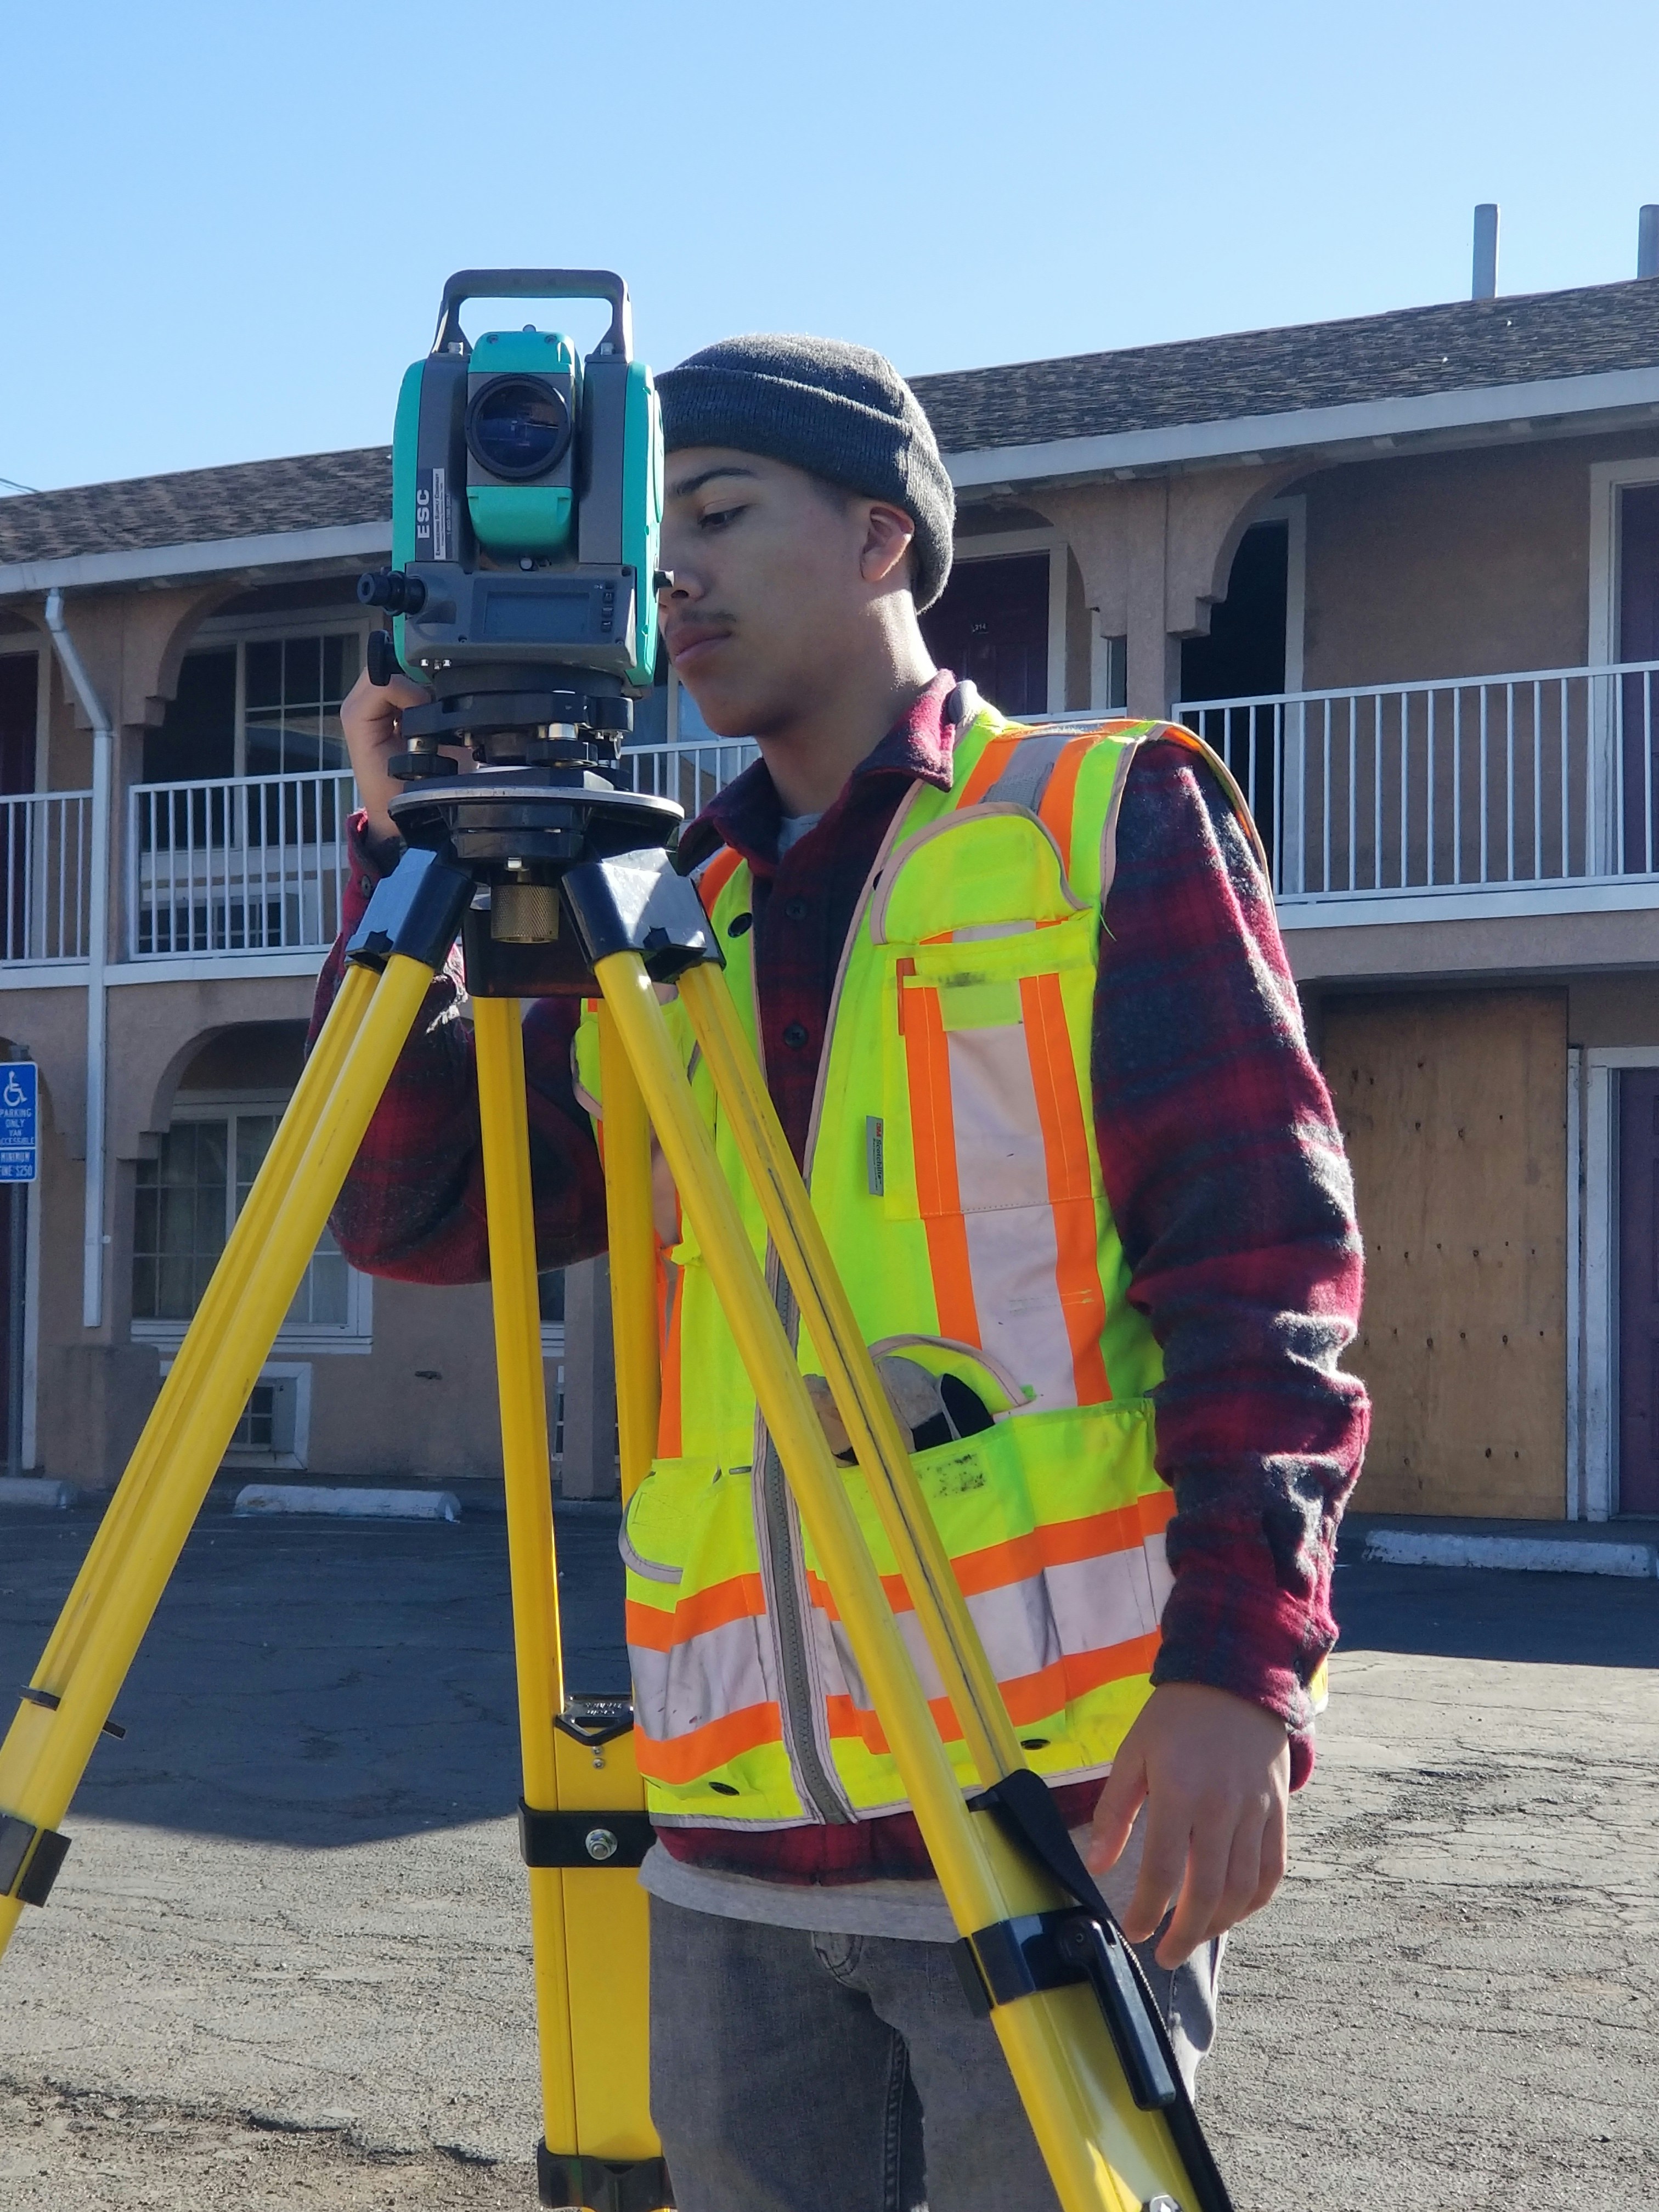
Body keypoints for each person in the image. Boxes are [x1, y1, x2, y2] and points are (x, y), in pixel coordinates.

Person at [315, 335, 1368, 2212]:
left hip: (1041, 1810)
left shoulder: (1089, 818)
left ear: (886, 537)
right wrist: (407, 862)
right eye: (654, 540)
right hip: (724, 1841)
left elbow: (1264, 1267)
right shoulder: (660, 919)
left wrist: (1242, 1677)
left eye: (719, 515)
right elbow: (416, 1212)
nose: (673, 580)